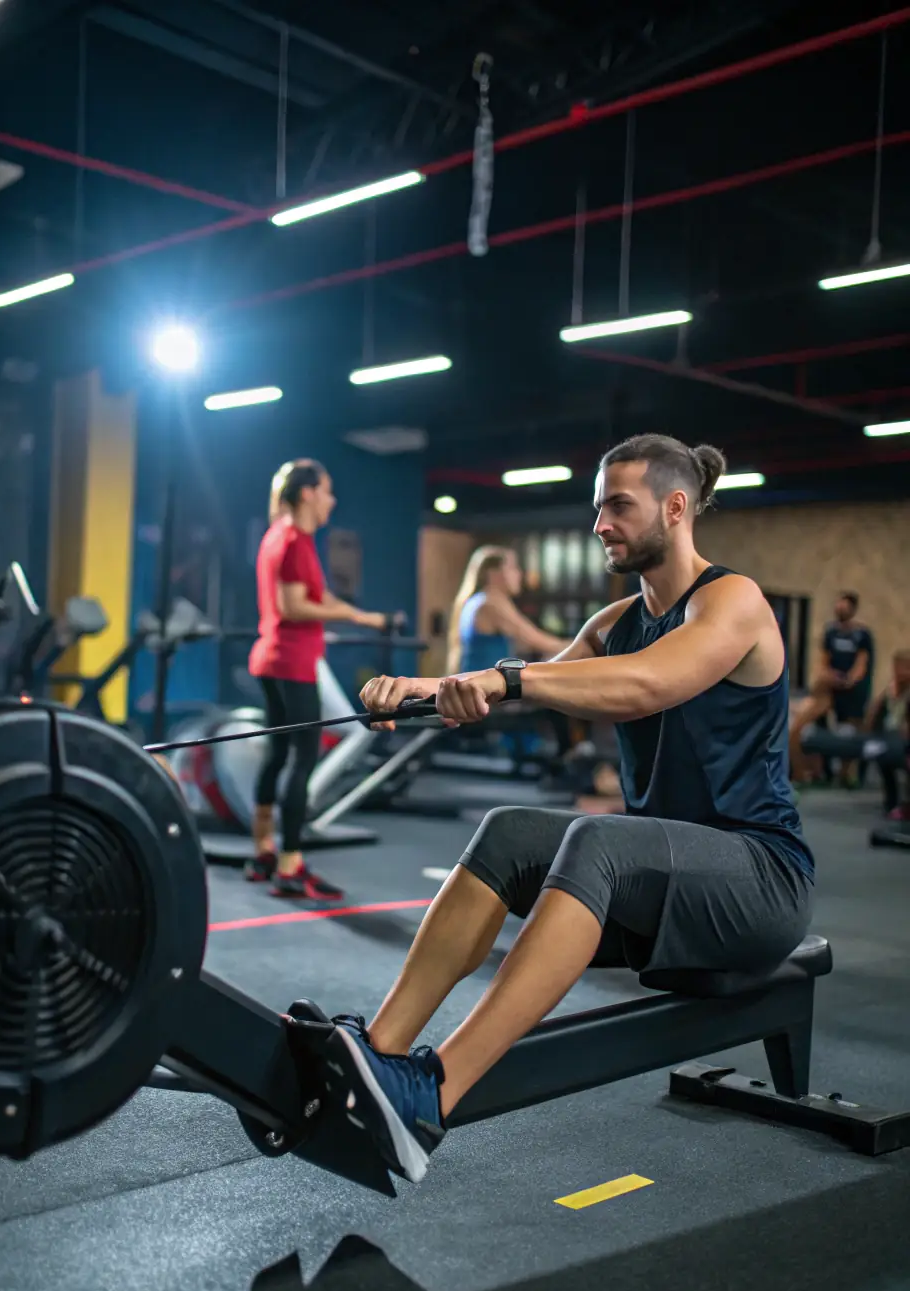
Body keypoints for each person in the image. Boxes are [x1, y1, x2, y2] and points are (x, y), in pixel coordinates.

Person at [319, 433, 814, 1185]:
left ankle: (430, 1097)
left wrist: (508, 680)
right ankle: (378, 1058)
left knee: (597, 840)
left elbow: (647, 684)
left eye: (619, 505)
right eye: (598, 508)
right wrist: (419, 692)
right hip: (666, 873)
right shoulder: (614, 622)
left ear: (676, 508)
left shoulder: (731, 600)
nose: (600, 525)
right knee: (510, 831)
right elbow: (518, 683)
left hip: (758, 879)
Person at [247, 459, 393, 899]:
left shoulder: (282, 535)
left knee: (277, 757)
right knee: (302, 760)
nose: (332, 499)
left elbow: (315, 596)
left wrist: (365, 617)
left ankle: (263, 851)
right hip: (292, 661)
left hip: (271, 658)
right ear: (308, 492)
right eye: (327, 491)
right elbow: (294, 606)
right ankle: (290, 864)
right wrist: (347, 613)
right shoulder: (294, 538)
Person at [448, 544, 574, 782]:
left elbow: (523, 645)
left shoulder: (479, 601)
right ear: (494, 574)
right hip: (486, 695)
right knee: (563, 696)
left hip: (484, 688)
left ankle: (558, 758)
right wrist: (590, 644)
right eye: (513, 567)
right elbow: (536, 640)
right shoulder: (491, 603)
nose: (520, 574)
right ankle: (566, 763)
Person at [789, 593, 874, 788]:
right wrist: (828, 676)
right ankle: (811, 773)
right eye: (839, 607)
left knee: (851, 733)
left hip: (852, 694)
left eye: (845, 608)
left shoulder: (861, 634)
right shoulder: (831, 632)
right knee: (808, 727)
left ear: (853, 609)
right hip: (829, 691)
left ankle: (846, 775)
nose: (841, 611)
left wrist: (848, 680)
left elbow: (861, 665)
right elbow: (824, 660)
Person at [864, 649, 910, 819]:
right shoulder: (891, 689)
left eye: (905, 668)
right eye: (897, 667)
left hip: (904, 742)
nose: (900, 672)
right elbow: (874, 713)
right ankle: (891, 801)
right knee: (883, 757)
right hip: (889, 738)